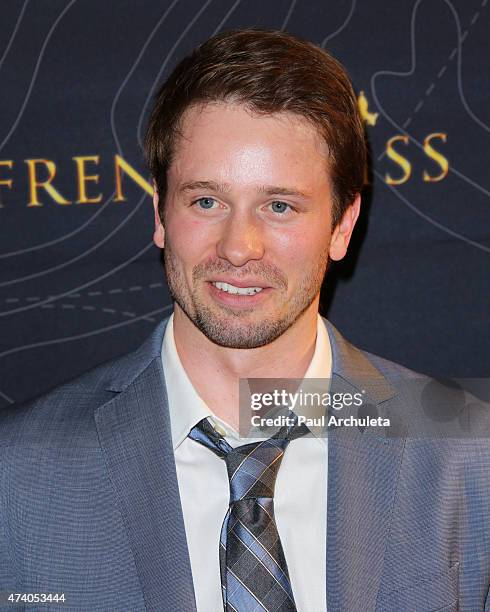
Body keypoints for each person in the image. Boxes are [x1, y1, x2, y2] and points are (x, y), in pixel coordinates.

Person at [1, 29, 489, 612]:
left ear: (342, 225)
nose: (238, 247)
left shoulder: (469, 453)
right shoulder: (19, 472)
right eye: (206, 201)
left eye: (279, 205)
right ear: (160, 212)